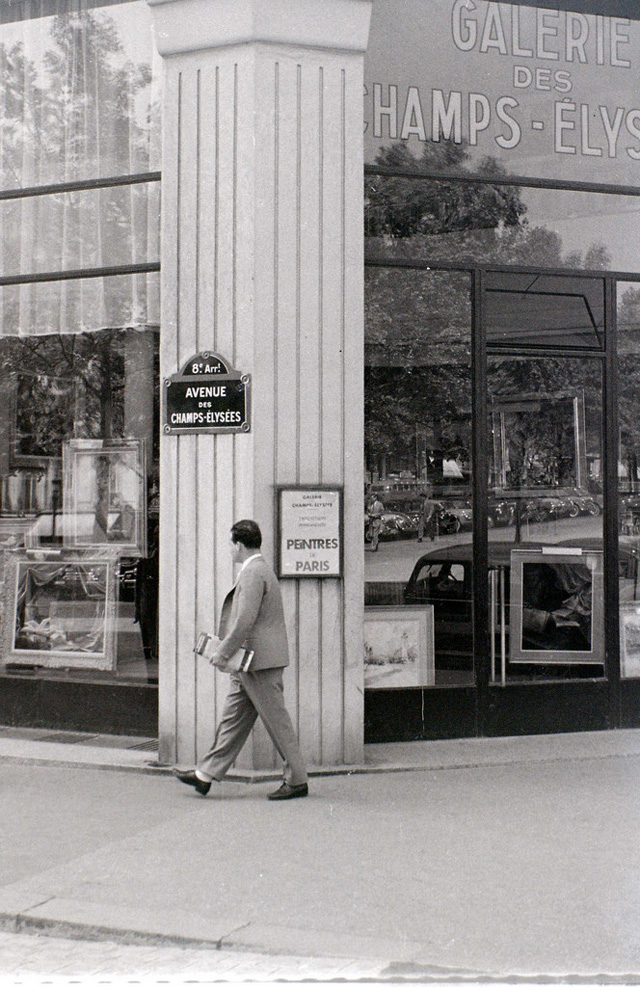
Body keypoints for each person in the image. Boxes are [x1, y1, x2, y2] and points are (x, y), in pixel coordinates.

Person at [173, 519, 308, 801]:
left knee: (276, 721)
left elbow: (245, 620)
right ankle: (205, 775)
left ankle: (297, 780)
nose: (230, 550)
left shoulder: (253, 572)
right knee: (233, 719)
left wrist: (222, 652)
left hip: (258, 662)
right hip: (251, 662)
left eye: (230, 544)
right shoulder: (258, 570)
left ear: (239, 545)